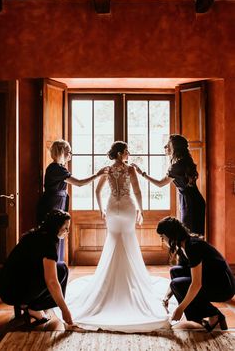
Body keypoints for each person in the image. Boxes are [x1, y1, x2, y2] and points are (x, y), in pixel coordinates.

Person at [53, 141, 172, 332]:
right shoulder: (130, 169)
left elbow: (98, 190)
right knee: (129, 242)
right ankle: (130, 281)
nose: (129, 154)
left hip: (112, 208)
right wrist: (141, 210)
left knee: (114, 242)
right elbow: (137, 191)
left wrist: (102, 209)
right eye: (126, 151)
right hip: (127, 208)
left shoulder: (107, 170)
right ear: (121, 153)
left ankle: (110, 280)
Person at [156, 216, 235, 331]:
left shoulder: (193, 246)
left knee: (177, 284)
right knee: (175, 272)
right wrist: (166, 298)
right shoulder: (182, 246)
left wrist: (180, 308)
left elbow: (196, 284)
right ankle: (198, 316)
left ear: (170, 235)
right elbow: (181, 275)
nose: (162, 240)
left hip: (223, 286)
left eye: (162, 237)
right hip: (211, 278)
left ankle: (215, 315)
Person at [0, 209, 73, 326]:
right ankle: (33, 307)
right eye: (66, 228)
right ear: (56, 227)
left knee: (55, 268)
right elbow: (52, 281)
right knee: (62, 269)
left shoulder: (33, 234)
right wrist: (65, 310)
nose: (68, 231)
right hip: (14, 292)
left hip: (5, 290)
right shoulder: (49, 242)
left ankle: (26, 304)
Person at [37, 139, 108, 261]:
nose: (70, 154)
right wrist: (98, 174)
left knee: (59, 233)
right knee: (54, 234)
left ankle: (57, 265)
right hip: (53, 204)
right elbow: (79, 183)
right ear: (62, 152)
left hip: (57, 202)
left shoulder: (58, 168)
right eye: (68, 152)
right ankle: (54, 267)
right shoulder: (56, 169)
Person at [132, 134, 206, 236]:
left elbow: (160, 184)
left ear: (175, 148)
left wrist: (142, 174)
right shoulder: (185, 161)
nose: (165, 147)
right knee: (195, 236)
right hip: (195, 201)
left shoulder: (177, 166)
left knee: (189, 236)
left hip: (189, 204)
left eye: (168, 145)